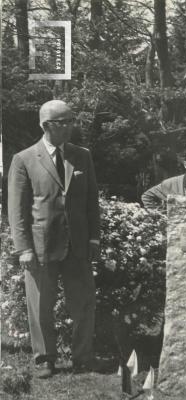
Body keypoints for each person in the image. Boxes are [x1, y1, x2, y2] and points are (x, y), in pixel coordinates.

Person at [8, 100, 102, 378]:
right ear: (47, 125)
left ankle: (83, 357)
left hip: (78, 245)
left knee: (84, 303)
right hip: (40, 247)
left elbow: (91, 201)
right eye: (65, 122)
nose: (71, 126)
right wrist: (23, 248)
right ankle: (44, 359)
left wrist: (94, 239)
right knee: (40, 307)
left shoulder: (82, 156)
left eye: (72, 120)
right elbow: (17, 210)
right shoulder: (24, 159)